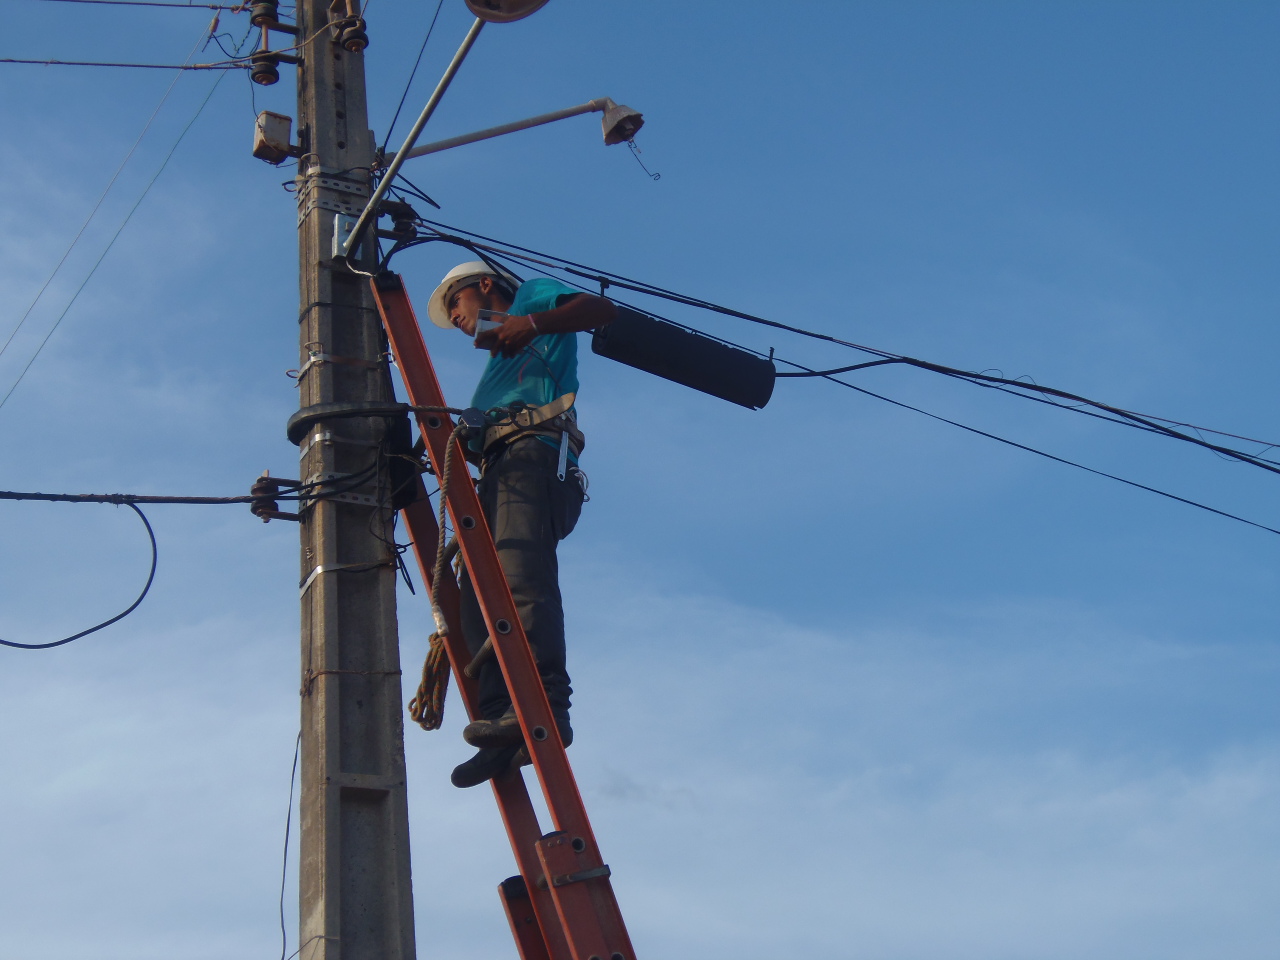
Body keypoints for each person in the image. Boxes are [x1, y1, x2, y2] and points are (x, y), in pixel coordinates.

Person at [425, 261, 616, 788]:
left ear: (483, 286)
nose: (456, 318)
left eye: (455, 304)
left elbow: (601, 310)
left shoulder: (533, 297)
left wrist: (528, 324)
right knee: (476, 598)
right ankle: (498, 719)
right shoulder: (498, 371)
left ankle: (546, 704)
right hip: (499, 463)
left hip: (534, 455)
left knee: (519, 578)